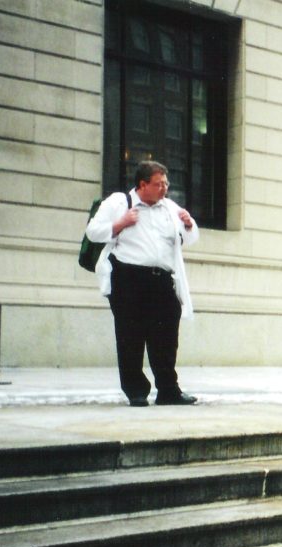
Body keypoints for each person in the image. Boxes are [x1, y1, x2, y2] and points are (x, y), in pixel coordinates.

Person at [85, 160, 199, 407]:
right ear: (142, 184)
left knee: (166, 338)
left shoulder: (169, 207)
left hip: (162, 281)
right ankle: (136, 390)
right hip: (129, 279)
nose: (164, 188)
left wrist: (189, 224)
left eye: (166, 183)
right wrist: (121, 223)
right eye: (158, 184)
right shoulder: (118, 202)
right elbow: (93, 231)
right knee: (130, 337)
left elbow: (190, 237)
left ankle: (169, 390)